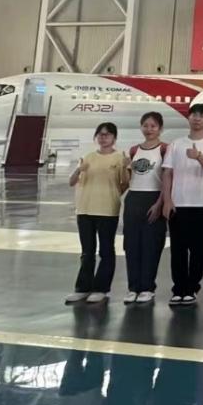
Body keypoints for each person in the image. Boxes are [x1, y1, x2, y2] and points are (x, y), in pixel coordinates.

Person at [162, 103, 203, 306]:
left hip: (200, 204)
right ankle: (178, 289)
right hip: (178, 204)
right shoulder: (176, 144)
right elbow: (167, 173)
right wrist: (167, 200)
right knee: (177, 249)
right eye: (194, 114)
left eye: (202, 115)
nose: (197, 118)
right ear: (189, 118)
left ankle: (192, 288)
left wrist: (199, 156)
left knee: (197, 249)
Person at [65, 122, 129, 304]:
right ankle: (82, 288)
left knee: (106, 250)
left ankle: (101, 288)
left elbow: (125, 183)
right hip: (85, 209)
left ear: (114, 138)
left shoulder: (120, 158)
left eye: (107, 134)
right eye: (100, 134)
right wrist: (79, 169)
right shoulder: (88, 157)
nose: (103, 137)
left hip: (107, 210)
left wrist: (113, 192)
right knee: (87, 251)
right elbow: (71, 181)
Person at [123, 111, 168, 305]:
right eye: (145, 125)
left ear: (160, 128)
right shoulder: (134, 150)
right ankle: (133, 287)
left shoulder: (165, 149)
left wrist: (160, 203)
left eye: (153, 126)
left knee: (151, 245)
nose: (149, 129)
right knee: (131, 245)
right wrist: (125, 168)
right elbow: (128, 180)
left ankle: (148, 287)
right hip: (133, 198)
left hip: (154, 198)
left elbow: (168, 179)